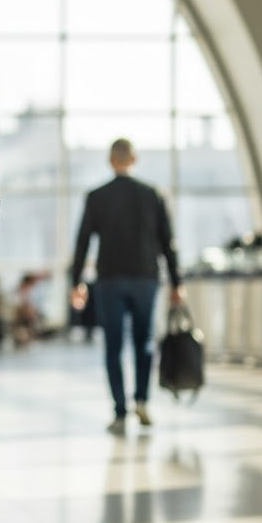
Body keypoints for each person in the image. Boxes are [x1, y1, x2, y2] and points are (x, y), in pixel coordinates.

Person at [70, 137, 184, 433]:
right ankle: (143, 402)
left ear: (111, 161)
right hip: (146, 279)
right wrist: (176, 282)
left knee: (113, 345)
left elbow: (82, 243)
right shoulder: (153, 195)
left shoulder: (97, 196)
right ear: (135, 160)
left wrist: (77, 282)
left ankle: (120, 411)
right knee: (144, 343)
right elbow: (168, 242)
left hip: (109, 280)